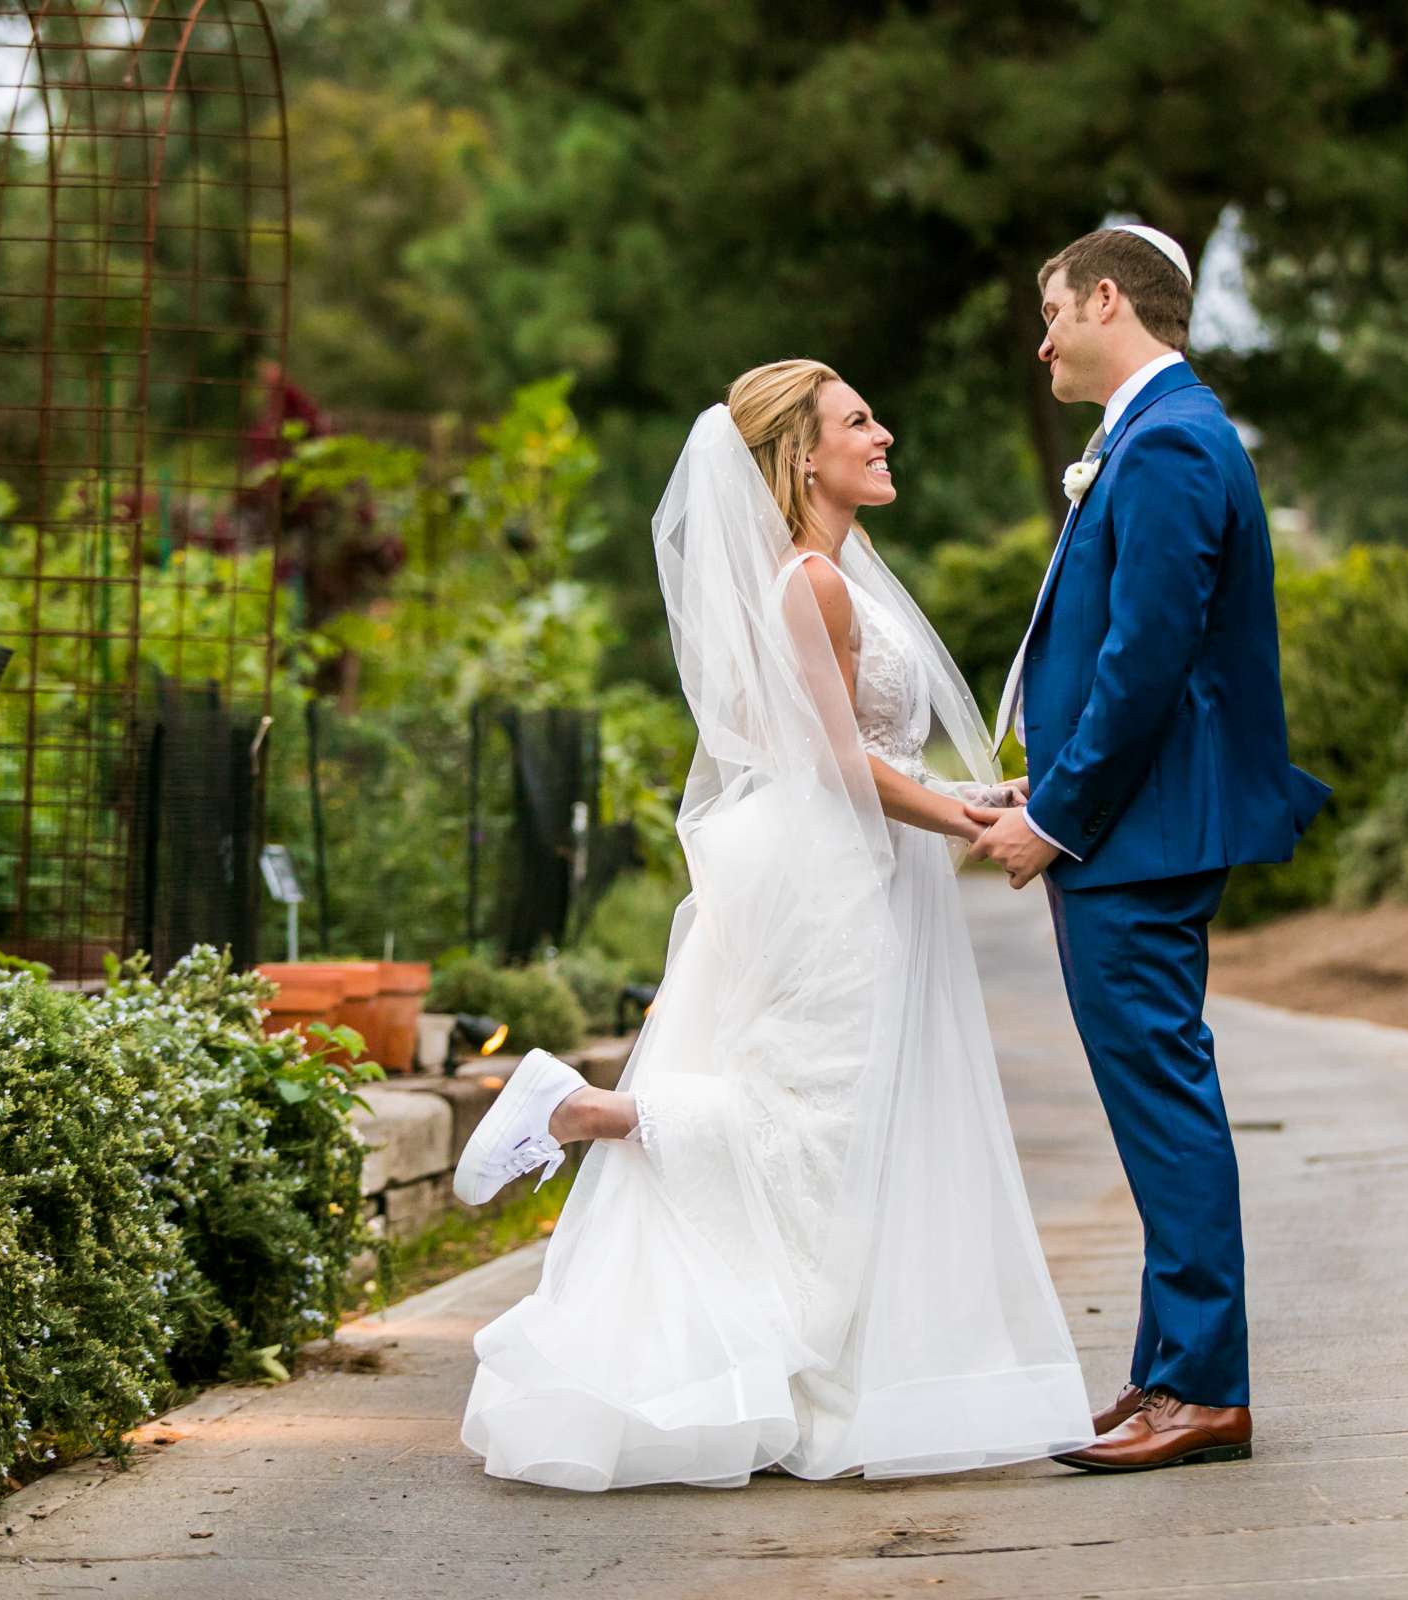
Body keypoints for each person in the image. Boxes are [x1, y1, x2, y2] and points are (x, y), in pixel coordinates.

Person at [452, 359, 1094, 1491]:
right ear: (804, 456)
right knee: (813, 1116)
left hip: (846, 856)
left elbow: (867, 750)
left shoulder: (830, 576)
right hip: (824, 871)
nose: (884, 433)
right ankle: (577, 1108)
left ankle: (807, 1356)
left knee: (840, 1115)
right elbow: (839, 763)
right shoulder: (813, 583)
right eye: (860, 422)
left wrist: (981, 800)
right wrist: (964, 820)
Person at [969, 224, 1330, 1473]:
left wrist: (1057, 815)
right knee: (1152, 1100)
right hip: (1131, 825)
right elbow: (1121, 659)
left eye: (1054, 311)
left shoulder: (1170, 440)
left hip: (1135, 836)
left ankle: (1204, 1390)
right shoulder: (1155, 433)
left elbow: (1146, 660)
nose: (1043, 338)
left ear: (1108, 297)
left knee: (1164, 1101)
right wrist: (1044, 780)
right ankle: (1167, 1369)